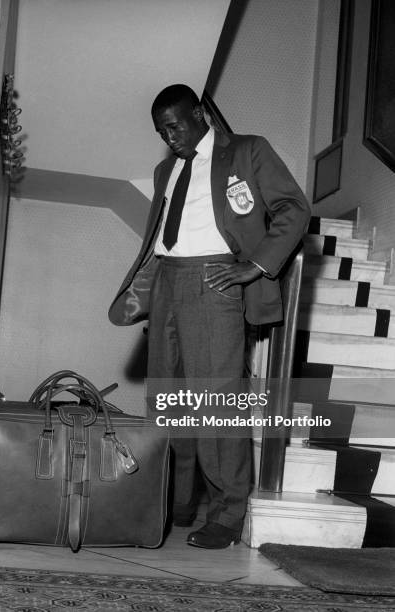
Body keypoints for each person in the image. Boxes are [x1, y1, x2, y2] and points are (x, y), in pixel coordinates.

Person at [108, 84, 310, 549]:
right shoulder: (166, 170)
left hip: (215, 281)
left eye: (175, 124)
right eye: (162, 130)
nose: (170, 135)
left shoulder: (246, 150)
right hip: (167, 283)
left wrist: (255, 265)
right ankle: (175, 502)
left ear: (199, 113)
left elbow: (293, 208)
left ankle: (226, 513)